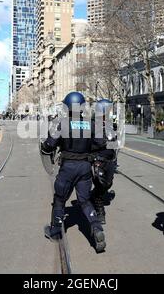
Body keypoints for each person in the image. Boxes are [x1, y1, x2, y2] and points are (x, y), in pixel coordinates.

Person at [42, 92, 106, 253]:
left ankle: (56, 231)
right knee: (85, 201)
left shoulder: (62, 124)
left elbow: (49, 145)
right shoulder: (91, 124)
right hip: (85, 167)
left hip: (68, 167)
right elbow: (101, 143)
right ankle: (97, 228)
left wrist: (46, 144)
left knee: (59, 200)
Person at [90, 99, 118, 225]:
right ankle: (100, 211)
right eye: (108, 110)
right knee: (100, 184)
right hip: (98, 160)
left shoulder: (110, 125)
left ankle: (95, 196)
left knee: (108, 184)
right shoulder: (92, 125)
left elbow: (114, 142)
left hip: (110, 160)